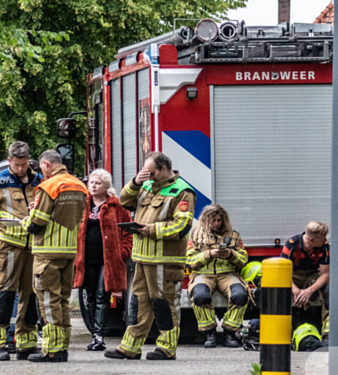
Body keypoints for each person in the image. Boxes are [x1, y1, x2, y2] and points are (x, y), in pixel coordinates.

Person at [105, 152, 196, 361]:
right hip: (142, 257)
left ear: (164, 168)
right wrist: (136, 181)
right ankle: (131, 346)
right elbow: (125, 201)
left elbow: (182, 226)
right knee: (138, 302)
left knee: (164, 303)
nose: (149, 176)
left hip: (165, 260)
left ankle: (166, 347)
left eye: (151, 172)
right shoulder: (145, 185)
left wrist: (152, 229)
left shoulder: (183, 191)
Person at [20, 150, 88, 362]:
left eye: (41, 166)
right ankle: (63, 346)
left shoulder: (48, 187)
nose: (40, 171)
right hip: (69, 251)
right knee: (63, 301)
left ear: (47, 164)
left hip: (47, 251)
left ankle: (52, 350)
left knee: (48, 302)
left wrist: (26, 221)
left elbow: (37, 222)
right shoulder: (79, 185)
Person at [0, 141, 42, 361]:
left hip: (33, 248)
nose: (21, 169)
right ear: (9, 161)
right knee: (4, 296)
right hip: (7, 249)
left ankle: (26, 343)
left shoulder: (38, 181)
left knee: (31, 297)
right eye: (17, 165)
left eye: (24, 164)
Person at [73, 168, 132, 351]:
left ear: (106, 186)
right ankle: (93, 334)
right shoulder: (82, 204)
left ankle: (100, 336)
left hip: (108, 260)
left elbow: (128, 232)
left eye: (97, 183)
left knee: (101, 295)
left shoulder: (116, 206)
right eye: (91, 182)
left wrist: (121, 253)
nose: (93, 185)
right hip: (86, 258)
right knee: (89, 297)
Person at [187, 205, 249, 348]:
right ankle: (209, 333)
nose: (217, 223)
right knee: (200, 296)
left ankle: (230, 332)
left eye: (219, 220)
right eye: (213, 220)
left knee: (240, 295)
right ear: (206, 221)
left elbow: (243, 260)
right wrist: (209, 255)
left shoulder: (234, 236)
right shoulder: (196, 235)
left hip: (228, 274)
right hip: (203, 274)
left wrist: (231, 254)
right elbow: (190, 261)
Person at [281, 221, 331, 338]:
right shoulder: (291, 245)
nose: (325, 240)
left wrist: (309, 291)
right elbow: (282, 271)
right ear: (312, 240)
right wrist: (295, 290)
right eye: (322, 238)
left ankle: (327, 333)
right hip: (291, 277)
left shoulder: (324, 247)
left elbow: (325, 274)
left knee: (329, 290)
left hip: (312, 277)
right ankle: (283, 332)